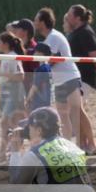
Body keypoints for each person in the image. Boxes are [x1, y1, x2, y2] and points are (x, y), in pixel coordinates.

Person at [34, 8, 83, 143]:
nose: (34, 23)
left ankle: (79, 145)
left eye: (36, 20)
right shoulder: (49, 38)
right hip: (59, 80)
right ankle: (68, 144)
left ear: (43, 23)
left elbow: (53, 60)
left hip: (69, 78)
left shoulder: (53, 37)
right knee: (63, 116)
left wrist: (39, 58)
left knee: (74, 114)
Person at [8, 107, 90, 186]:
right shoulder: (72, 146)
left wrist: (15, 151)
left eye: (29, 128)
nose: (27, 131)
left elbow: (16, 185)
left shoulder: (35, 155)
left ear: (39, 131)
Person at [64, 5, 96, 154]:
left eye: (70, 15)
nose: (67, 17)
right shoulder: (76, 32)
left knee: (77, 109)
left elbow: (95, 55)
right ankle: (83, 144)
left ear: (78, 18)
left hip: (84, 77)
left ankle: (91, 144)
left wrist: (94, 66)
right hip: (76, 77)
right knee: (76, 110)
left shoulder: (85, 32)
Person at [0, 31, 25, 158]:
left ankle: (4, 152)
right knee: (12, 123)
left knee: (5, 122)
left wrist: (2, 75)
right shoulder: (6, 57)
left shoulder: (13, 57)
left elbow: (21, 76)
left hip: (15, 93)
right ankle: (12, 151)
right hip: (7, 93)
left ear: (6, 44)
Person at [26, 42, 53, 113]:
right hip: (46, 99)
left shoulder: (40, 69)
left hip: (38, 101)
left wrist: (28, 98)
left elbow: (35, 86)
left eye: (35, 52)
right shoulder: (48, 67)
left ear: (41, 54)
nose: (33, 54)